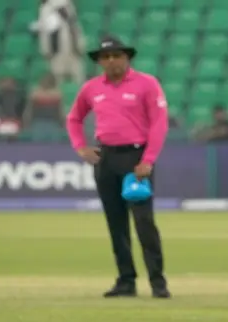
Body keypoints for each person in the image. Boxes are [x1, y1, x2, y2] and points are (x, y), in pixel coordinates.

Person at [65, 36, 171, 299]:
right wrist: (81, 147)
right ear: (100, 61)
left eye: (117, 55)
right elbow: (74, 118)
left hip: (136, 159)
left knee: (144, 222)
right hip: (106, 158)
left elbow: (159, 123)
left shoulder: (146, 84)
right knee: (116, 223)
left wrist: (148, 159)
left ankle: (158, 282)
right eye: (106, 57)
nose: (112, 61)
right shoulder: (91, 88)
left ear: (127, 57)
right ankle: (126, 280)